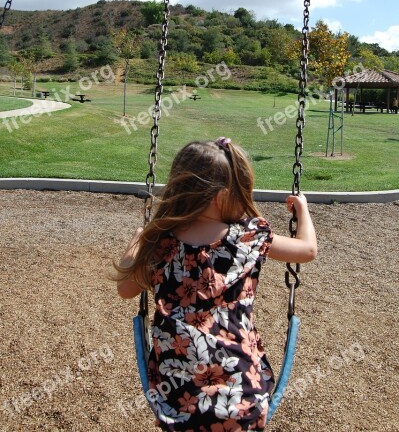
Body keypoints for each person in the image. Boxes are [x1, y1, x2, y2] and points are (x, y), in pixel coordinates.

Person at [115, 138, 317, 431]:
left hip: (177, 401)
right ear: (221, 197)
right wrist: (303, 211)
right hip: (243, 395)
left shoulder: (161, 242)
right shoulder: (249, 236)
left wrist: (137, 242)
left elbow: (125, 289)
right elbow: (308, 250)